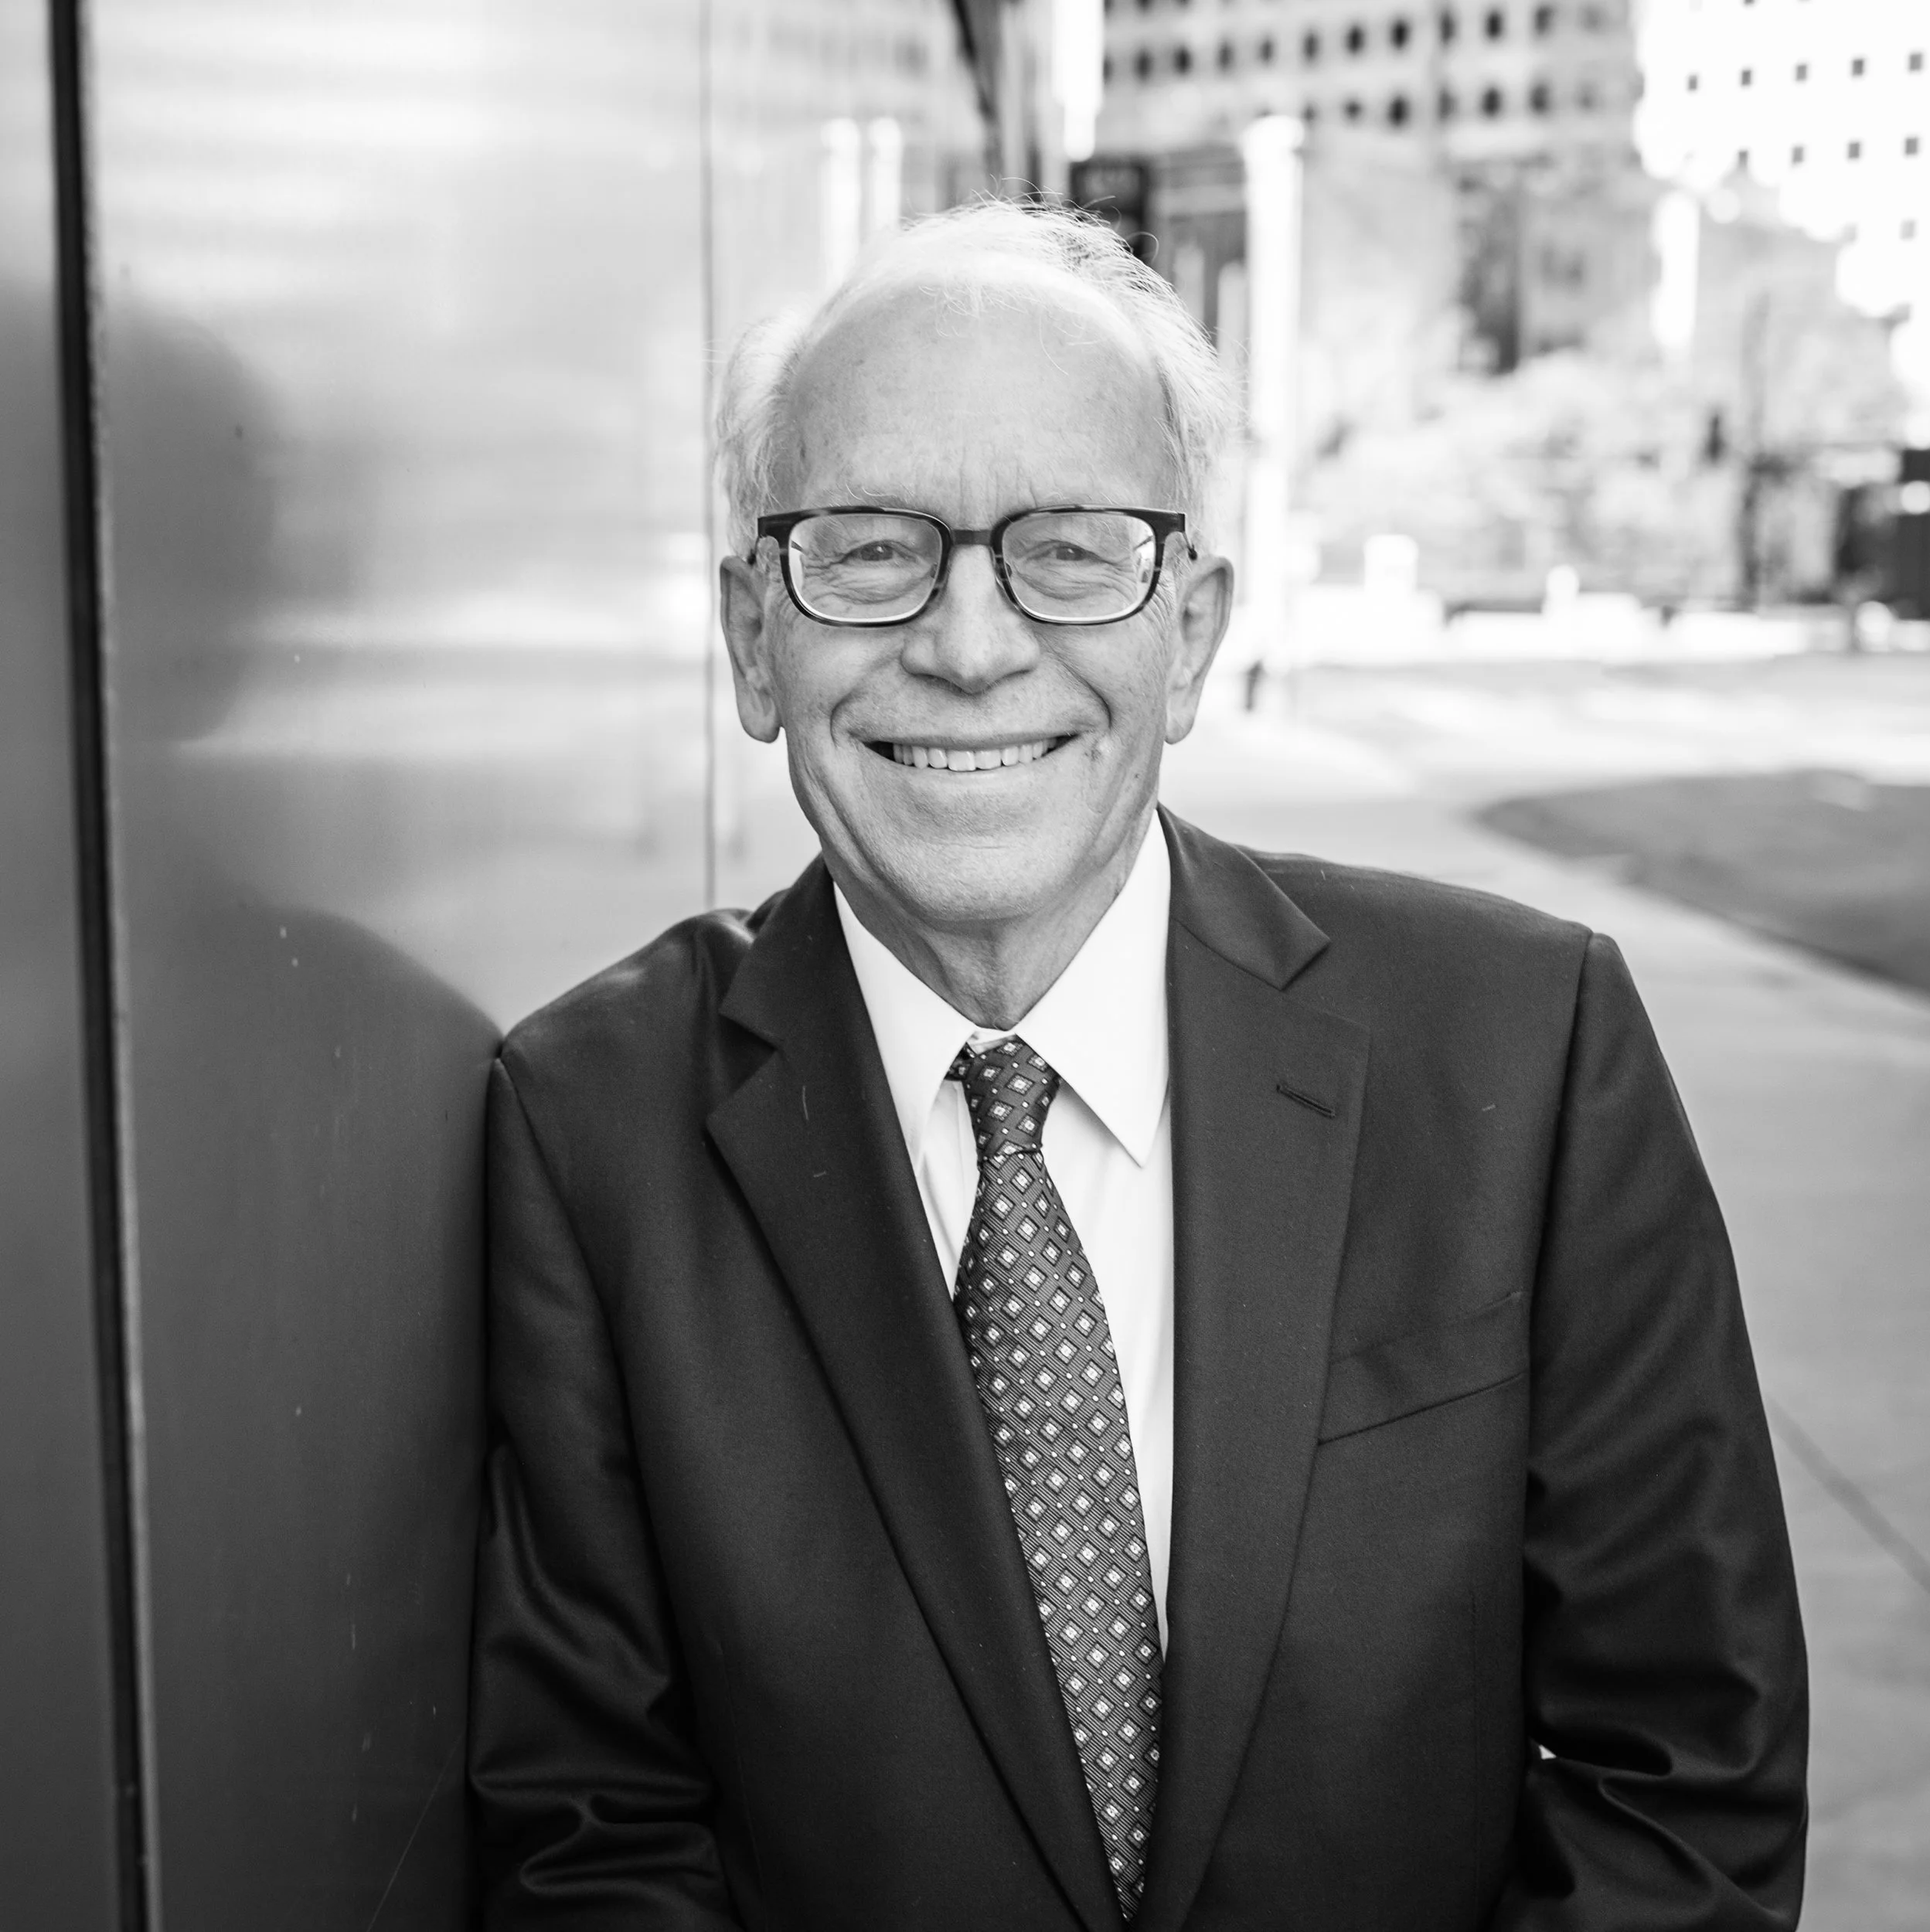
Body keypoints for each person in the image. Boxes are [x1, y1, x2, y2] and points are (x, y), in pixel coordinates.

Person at [468, 204, 1806, 1930]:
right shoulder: (586, 1125)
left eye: (1072, 550)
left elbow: (1682, 1785)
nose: (968, 645)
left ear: (1190, 629)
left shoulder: (1525, 1045)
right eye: (866, 551)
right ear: (751, 636)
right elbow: (590, 1834)